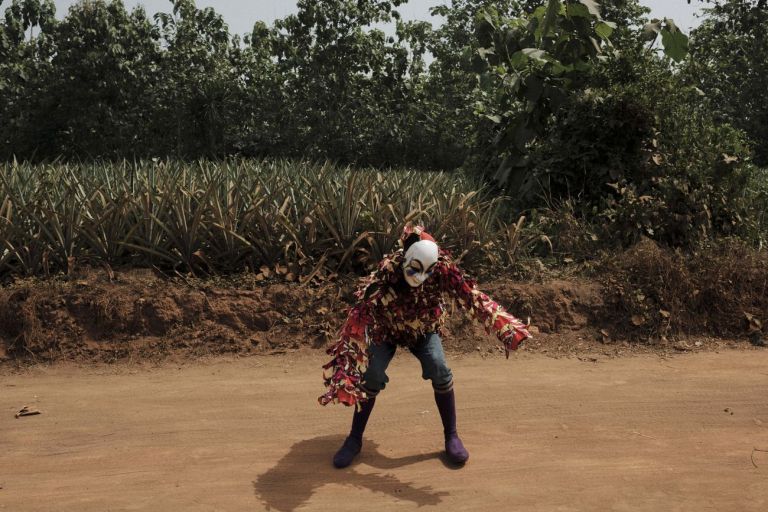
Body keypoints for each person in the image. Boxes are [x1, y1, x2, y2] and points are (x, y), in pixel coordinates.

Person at [318, 225, 531, 468]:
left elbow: (471, 296)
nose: (421, 277)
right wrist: (346, 367)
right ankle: (354, 440)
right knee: (372, 375)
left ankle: (451, 436)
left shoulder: (443, 268)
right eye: (415, 269)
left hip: (424, 329)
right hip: (386, 330)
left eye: (428, 272)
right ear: (405, 259)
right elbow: (359, 315)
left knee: (439, 368)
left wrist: (505, 326)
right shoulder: (387, 273)